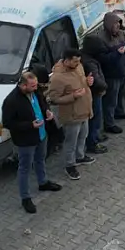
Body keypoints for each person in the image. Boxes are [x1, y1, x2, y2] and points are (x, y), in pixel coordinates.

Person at [1, 71, 62, 214]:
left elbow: (43, 103)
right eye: (32, 86)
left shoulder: (36, 91)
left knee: (41, 159)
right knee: (25, 168)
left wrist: (47, 111)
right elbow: (8, 123)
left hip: (41, 135)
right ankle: (25, 197)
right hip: (26, 140)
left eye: (36, 85)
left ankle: (43, 182)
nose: (36, 88)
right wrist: (29, 125)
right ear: (23, 86)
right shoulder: (11, 101)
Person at [46, 49, 95, 180]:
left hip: (84, 110)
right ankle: (69, 165)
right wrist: (73, 96)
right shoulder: (58, 77)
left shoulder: (78, 66)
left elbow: (81, 82)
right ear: (66, 60)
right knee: (70, 142)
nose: (78, 63)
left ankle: (80, 157)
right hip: (72, 115)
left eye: (79, 61)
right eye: (75, 61)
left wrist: (88, 81)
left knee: (83, 136)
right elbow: (53, 99)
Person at [92, 12, 125, 127]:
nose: (118, 27)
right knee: (111, 100)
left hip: (122, 70)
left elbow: (123, 47)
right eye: (115, 24)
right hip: (111, 74)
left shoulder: (121, 34)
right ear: (109, 25)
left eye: (119, 24)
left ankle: (119, 112)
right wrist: (117, 53)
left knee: (121, 94)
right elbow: (102, 58)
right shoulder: (101, 38)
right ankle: (109, 123)